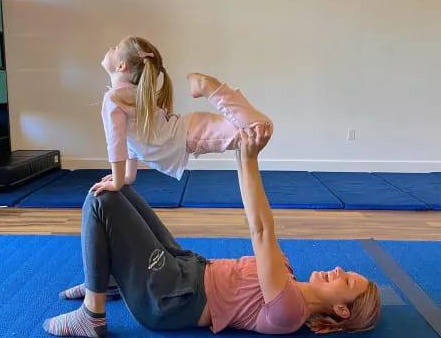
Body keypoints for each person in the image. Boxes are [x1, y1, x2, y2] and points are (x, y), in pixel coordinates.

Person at [43, 124, 381, 337]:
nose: (339, 269)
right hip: (185, 266)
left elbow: (261, 230)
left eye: (347, 280)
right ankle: (107, 281)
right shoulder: (287, 274)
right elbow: (265, 236)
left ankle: (92, 315)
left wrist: (249, 159)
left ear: (341, 310)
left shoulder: (289, 312)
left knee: (101, 201)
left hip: (170, 299)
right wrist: (238, 143)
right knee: (119, 189)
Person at [89, 36, 272, 196]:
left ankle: (206, 86)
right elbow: (130, 141)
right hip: (190, 129)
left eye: (115, 48)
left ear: (122, 65)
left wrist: (118, 182)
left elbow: (116, 143)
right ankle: (207, 87)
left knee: (259, 128)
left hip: (191, 133)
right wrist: (127, 176)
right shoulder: (133, 95)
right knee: (258, 128)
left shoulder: (115, 99)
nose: (110, 49)